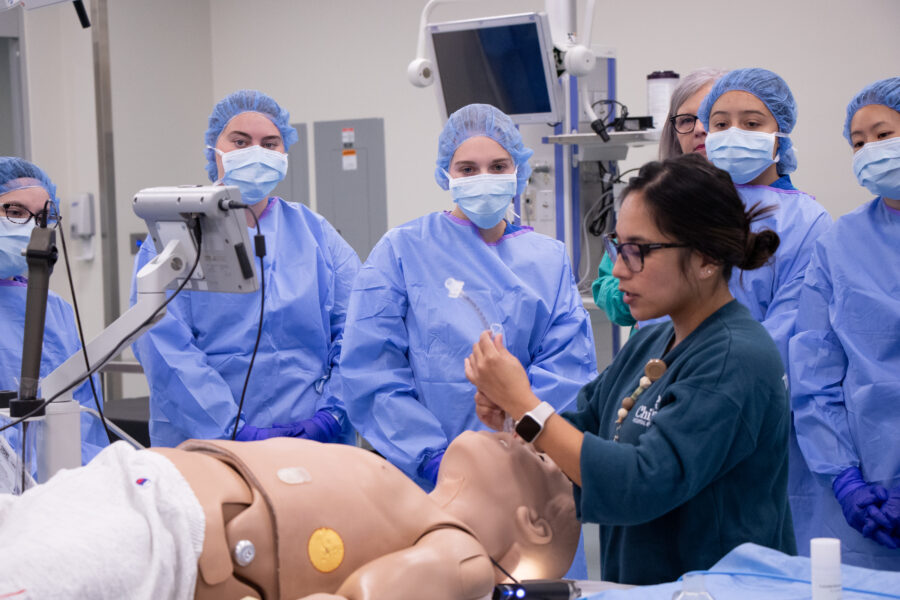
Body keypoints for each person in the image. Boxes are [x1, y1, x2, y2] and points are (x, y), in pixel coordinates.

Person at [466, 153, 796, 585]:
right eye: (618, 248)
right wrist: (516, 418)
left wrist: (525, 404)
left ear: (706, 258)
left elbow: (641, 483)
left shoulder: (737, 358)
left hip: (721, 589)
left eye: (639, 251)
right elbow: (576, 433)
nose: (618, 270)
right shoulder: (651, 341)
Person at [340, 103, 597, 490]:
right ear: (447, 173)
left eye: (498, 167)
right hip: (432, 478)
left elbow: (568, 370)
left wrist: (522, 444)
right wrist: (433, 459)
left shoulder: (548, 258)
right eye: (468, 169)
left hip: (530, 470)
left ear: (518, 172)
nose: (484, 178)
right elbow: (372, 369)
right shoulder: (402, 250)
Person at [0, 430, 580, 600]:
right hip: (140, 487)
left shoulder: (464, 556)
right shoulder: (409, 500)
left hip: (166, 537)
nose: (531, 443)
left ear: (532, 525)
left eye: (544, 465)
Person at [130, 90, 360, 447]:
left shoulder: (315, 234)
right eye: (240, 141)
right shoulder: (178, 232)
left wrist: (332, 414)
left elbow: (358, 329)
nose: (257, 153)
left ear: (285, 154)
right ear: (214, 150)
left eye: (270, 143)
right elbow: (164, 347)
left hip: (314, 442)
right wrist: (228, 429)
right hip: (209, 445)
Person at [789, 77, 900, 570]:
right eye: (858, 143)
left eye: (883, 135)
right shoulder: (839, 243)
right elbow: (815, 369)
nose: (870, 151)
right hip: (861, 490)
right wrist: (844, 478)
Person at [593, 68, 727, 328]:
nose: (699, 129)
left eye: (713, 119)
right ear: (673, 131)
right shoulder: (654, 196)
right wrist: (636, 290)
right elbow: (607, 284)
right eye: (687, 120)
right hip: (653, 355)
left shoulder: (761, 206)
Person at [0, 157, 108, 478]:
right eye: (15, 212)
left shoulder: (55, 308)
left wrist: (81, 477)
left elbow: (85, 410)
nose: (32, 228)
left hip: (60, 485)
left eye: (44, 217)